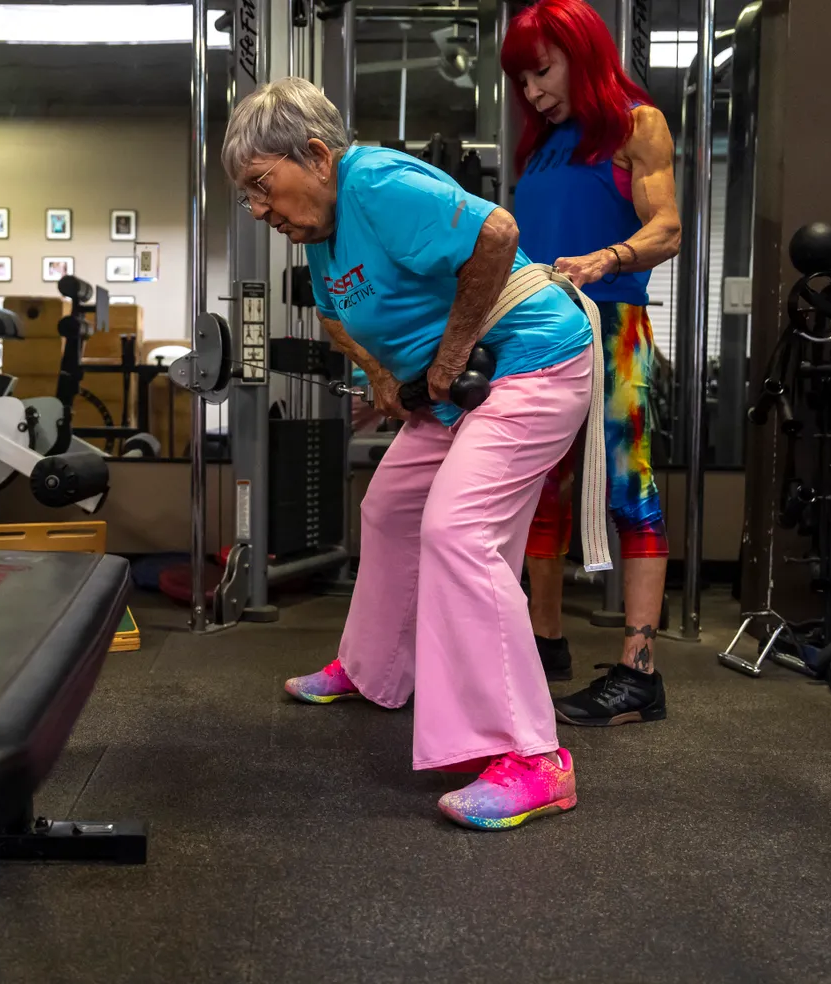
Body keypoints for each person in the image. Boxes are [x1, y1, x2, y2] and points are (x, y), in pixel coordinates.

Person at [223, 76, 608, 830]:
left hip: (533, 359)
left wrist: (450, 352)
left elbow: (496, 235)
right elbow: (342, 322)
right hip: (452, 387)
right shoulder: (323, 230)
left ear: (315, 154)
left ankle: (534, 759)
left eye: (264, 187)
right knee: (391, 508)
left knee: (458, 533)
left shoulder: (375, 181)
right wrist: (384, 381)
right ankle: (375, 672)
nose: (261, 210)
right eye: (249, 197)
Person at [501, 0, 681, 726]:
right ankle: (546, 644)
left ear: (582, 51)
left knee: (629, 489)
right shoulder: (542, 142)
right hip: (540, 332)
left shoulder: (636, 124)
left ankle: (639, 672)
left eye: (541, 71)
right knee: (536, 489)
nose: (532, 92)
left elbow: (666, 226)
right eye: (521, 80)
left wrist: (607, 259)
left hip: (613, 327)